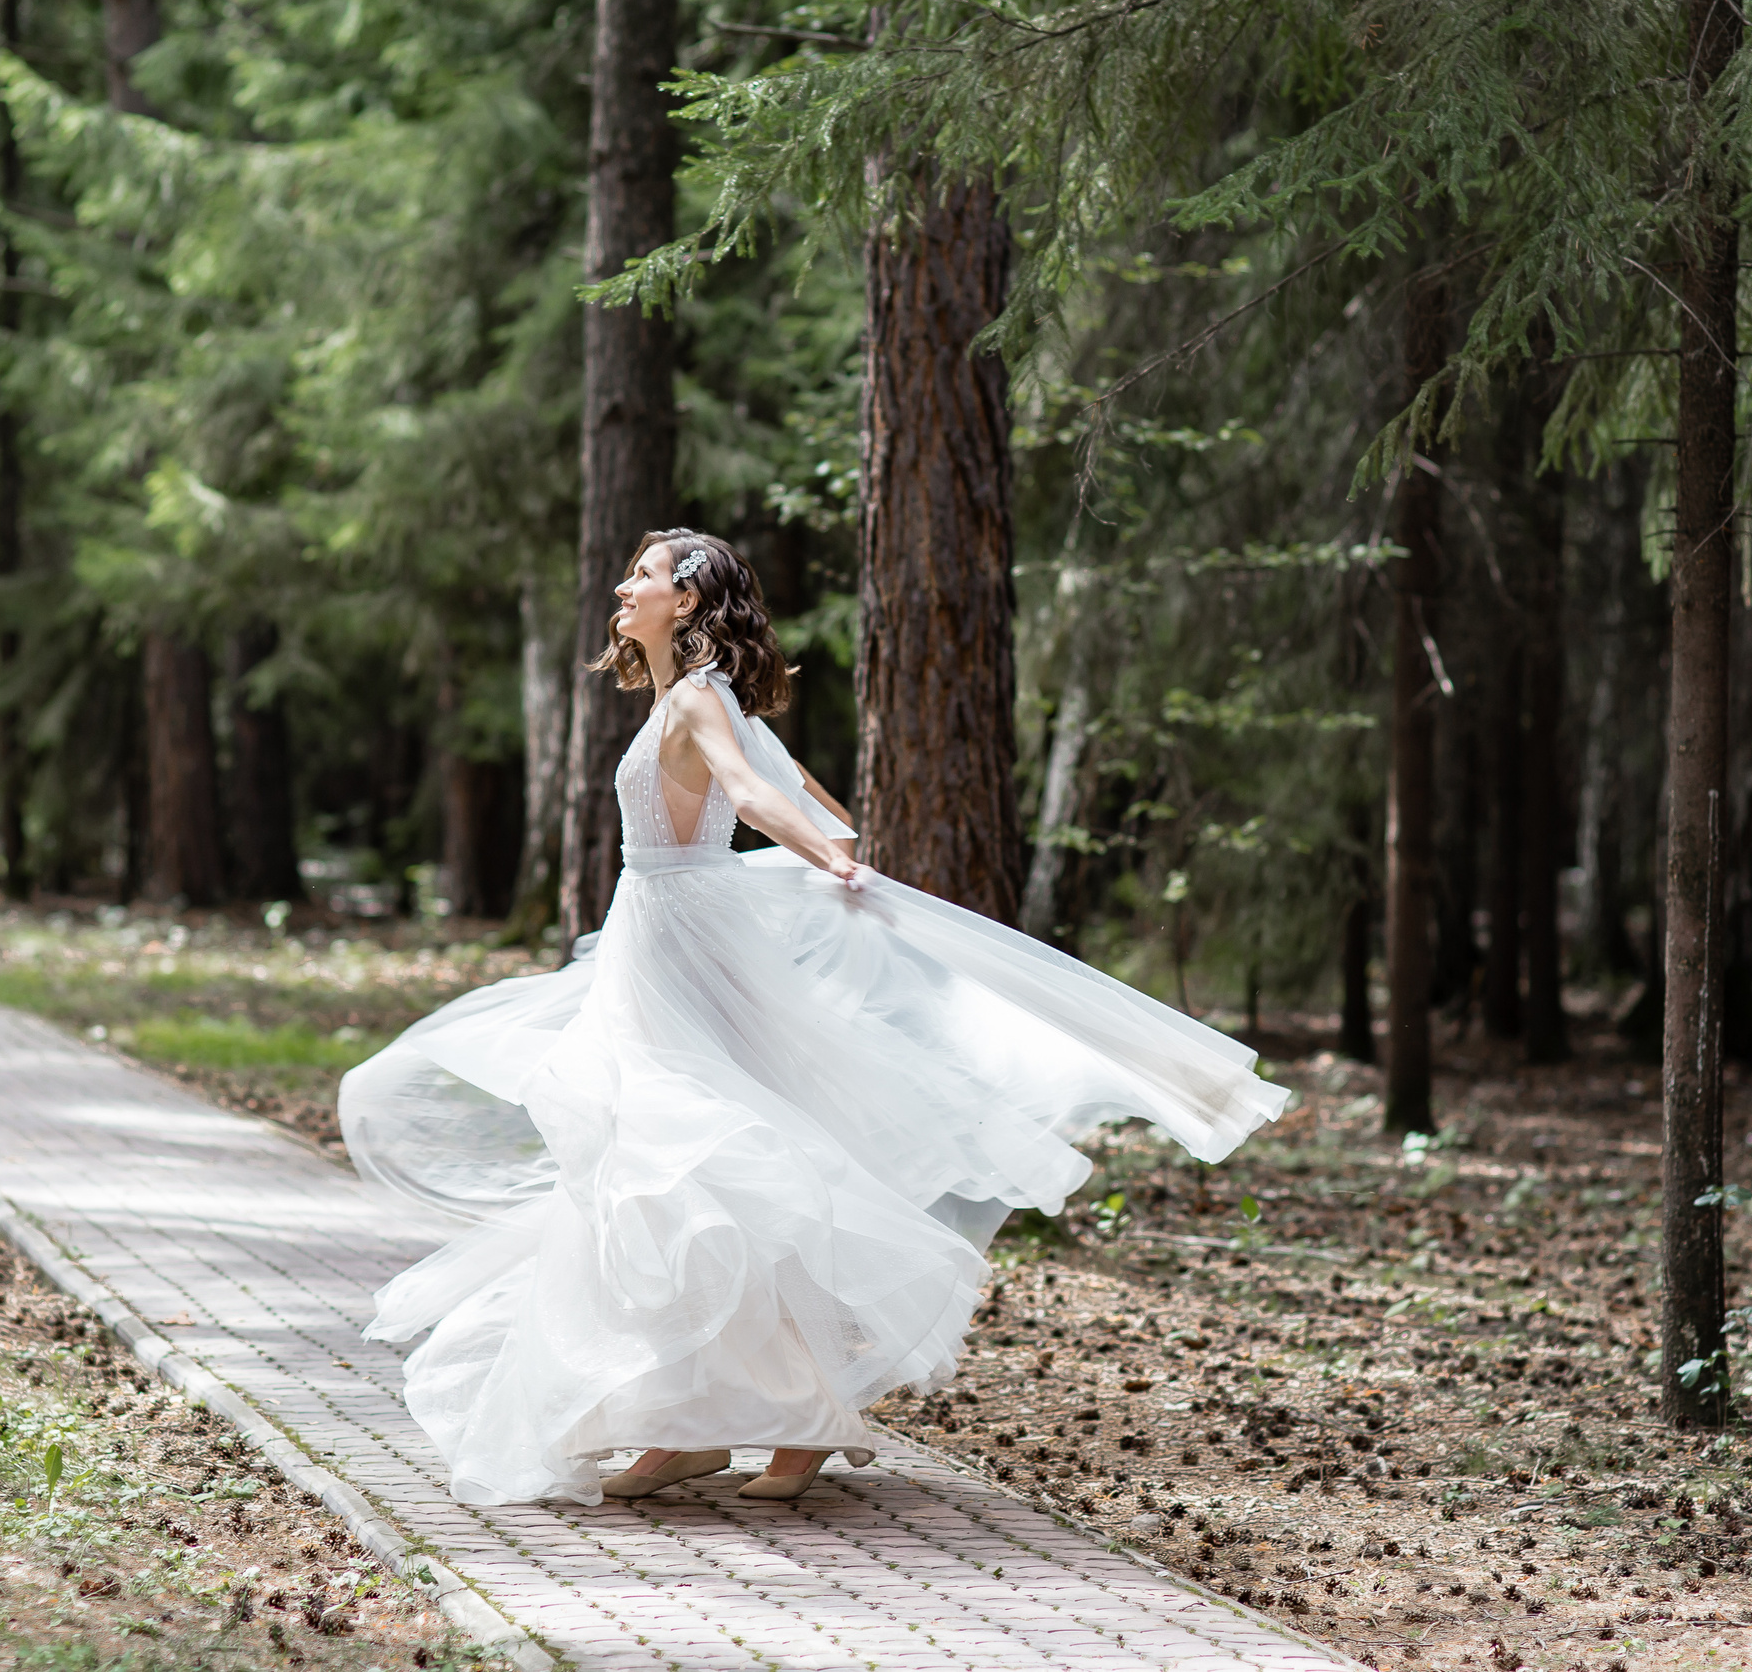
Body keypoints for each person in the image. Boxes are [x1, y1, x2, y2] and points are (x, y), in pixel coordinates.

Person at [340, 529, 1289, 1507]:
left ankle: (797, 1422)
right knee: (644, 1175)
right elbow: (810, 796)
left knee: (694, 1172)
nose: (623, 588)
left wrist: (828, 863)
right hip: (653, 941)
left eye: (646, 577)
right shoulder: (695, 699)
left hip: (688, 948)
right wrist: (821, 838)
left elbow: (759, 797)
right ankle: (681, 1426)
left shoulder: (702, 698)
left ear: (692, 601)